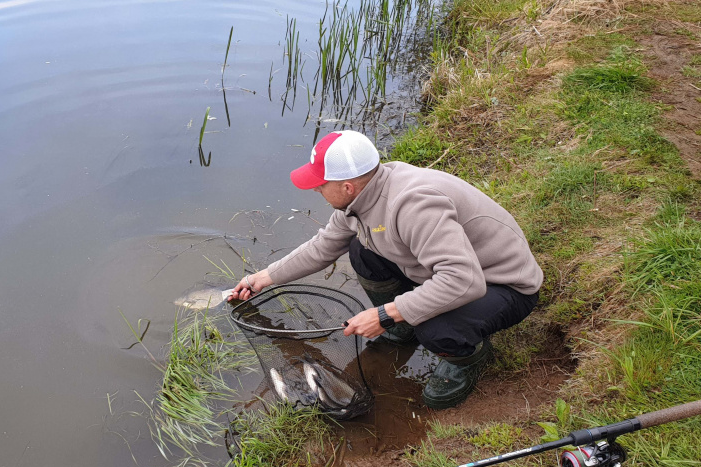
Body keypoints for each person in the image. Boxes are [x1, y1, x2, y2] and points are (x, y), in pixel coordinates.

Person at [230, 130, 543, 409]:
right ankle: (405, 326)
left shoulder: (413, 205)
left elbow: (464, 280)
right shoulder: (360, 202)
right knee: (360, 250)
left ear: (348, 186)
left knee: (433, 329)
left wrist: (386, 314)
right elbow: (322, 248)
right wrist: (264, 278)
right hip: (453, 273)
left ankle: (464, 356)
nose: (315, 191)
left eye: (320, 185)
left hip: (502, 286)